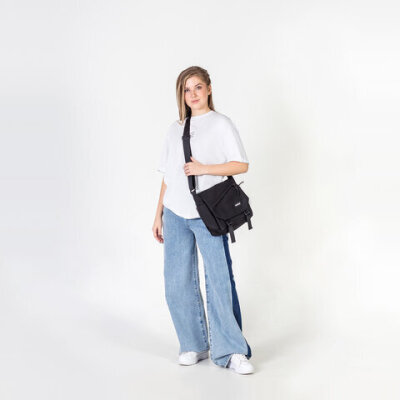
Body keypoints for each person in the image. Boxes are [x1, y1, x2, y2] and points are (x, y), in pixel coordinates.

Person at [152, 66, 254, 375]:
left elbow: (241, 165)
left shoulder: (221, 124)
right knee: (176, 283)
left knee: (218, 281)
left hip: (207, 213)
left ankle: (231, 350)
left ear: (208, 88)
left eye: (198, 87)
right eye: (186, 89)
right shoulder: (175, 129)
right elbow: (169, 176)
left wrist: (204, 168)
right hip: (175, 213)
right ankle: (193, 344)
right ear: (181, 95)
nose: (193, 94)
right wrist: (158, 213)